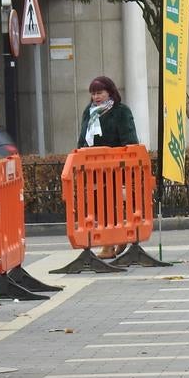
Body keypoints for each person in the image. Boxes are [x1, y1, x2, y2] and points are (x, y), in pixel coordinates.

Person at [76, 75, 139, 258]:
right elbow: (83, 138)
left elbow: (130, 141)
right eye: (93, 94)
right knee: (97, 206)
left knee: (112, 206)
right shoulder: (89, 111)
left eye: (99, 93)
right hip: (93, 170)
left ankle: (109, 245)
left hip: (116, 170)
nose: (96, 97)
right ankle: (114, 241)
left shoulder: (121, 111)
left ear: (110, 93)